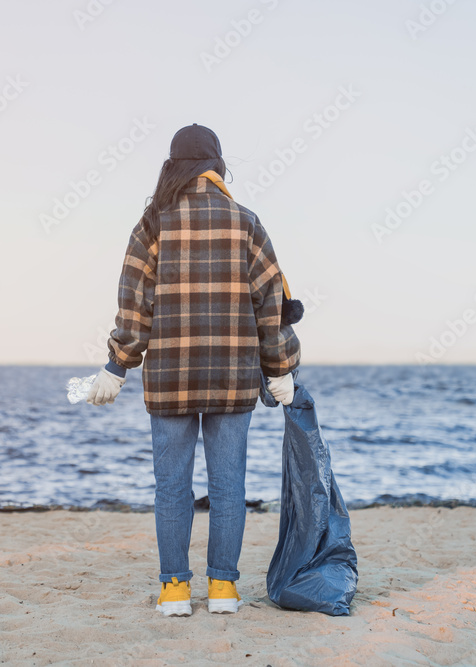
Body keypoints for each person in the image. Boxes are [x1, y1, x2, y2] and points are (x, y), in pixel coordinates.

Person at [86, 123, 302, 617]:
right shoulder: (245, 221)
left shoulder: (153, 222)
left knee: (172, 488)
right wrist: (281, 369)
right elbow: (271, 303)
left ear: (173, 167)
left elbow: (133, 303)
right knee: (229, 486)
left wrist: (117, 365)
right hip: (232, 377)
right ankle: (223, 589)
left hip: (169, 377)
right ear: (217, 166)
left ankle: (174, 591)